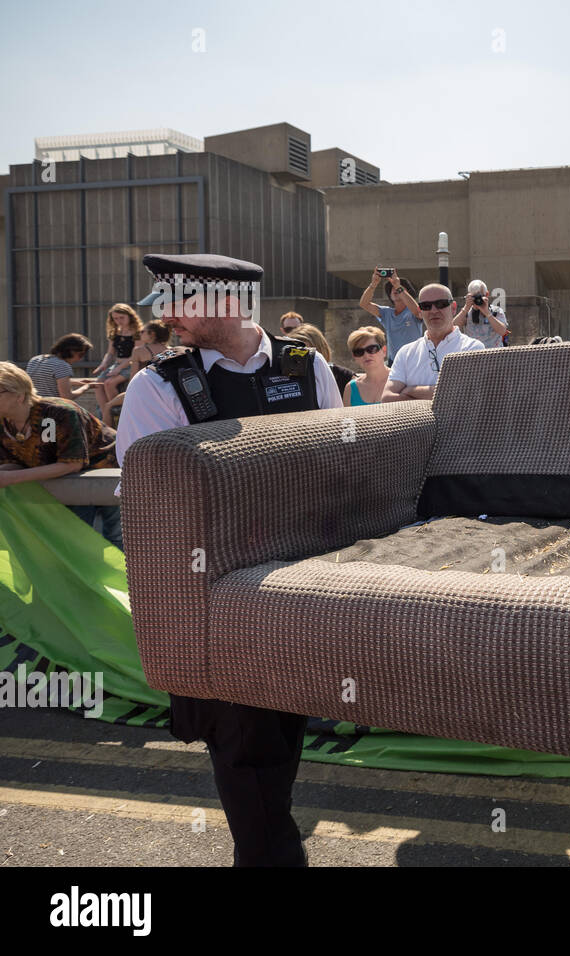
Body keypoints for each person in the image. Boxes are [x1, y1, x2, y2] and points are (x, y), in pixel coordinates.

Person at [116, 253, 342, 867]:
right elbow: (151, 500)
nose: (163, 313)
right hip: (217, 597)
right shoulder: (158, 384)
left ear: (226, 302)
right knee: (243, 747)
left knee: (283, 733)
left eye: (177, 299)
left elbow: (336, 465)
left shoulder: (308, 364)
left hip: (299, 586)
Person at [0, 362, 121, 549]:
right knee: (75, 540)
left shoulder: (60, 412)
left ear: (19, 395)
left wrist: (10, 478)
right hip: (67, 481)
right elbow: (12, 462)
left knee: (116, 538)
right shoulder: (4, 423)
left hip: (108, 472)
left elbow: (72, 463)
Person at [383, 283, 485, 401]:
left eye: (441, 304)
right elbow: (387, 397)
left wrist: (411, 390)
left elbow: (464, 395)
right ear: (420, 311)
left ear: (453, 308)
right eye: (426, 306)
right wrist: (438, 394)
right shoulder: (406, 352)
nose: (434, 310)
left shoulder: (472, 348)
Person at [78, 304, 142, 421]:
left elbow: (134, 355)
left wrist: (118, 369)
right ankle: (105, 414)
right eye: (115, 318)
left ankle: (118, 410)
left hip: (130, 365)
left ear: (130, 316)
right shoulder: (115, 332)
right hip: (116, 364)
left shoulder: (137, 332)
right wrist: (103, 365)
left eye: (121, 318)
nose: (118, 321)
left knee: (109, 383)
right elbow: (110, 353)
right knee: (98, 384)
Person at [359, 268, 424, 360]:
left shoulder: (413, 311)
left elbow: (418, 312)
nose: (395, 288)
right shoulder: (386, 313)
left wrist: (398, 286)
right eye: (392, 288)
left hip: (414, 360)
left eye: (399, 287)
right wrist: (373, 284)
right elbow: (364, 304)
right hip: (394, 362)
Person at [285, 323, 354, 402]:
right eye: (294, 352)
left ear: (320, 350)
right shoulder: (284, 378)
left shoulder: (344, 377)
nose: (299, 358)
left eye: (305, 353)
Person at [27, 333, 94, 400]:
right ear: (71, 351)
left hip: (34, 406)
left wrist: (75, 382)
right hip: (51, 407)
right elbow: (67, 397)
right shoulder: (62, 365)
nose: (80, 359)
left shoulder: (35, 359)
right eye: (81, 354)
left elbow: (46, 380)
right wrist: (87, 387)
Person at [455, 279, 509, 348]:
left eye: (479, 297)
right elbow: (452, 329)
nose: (477, 300)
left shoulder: (496, 311)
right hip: (473, 354)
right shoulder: (467, 313)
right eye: (474, 297)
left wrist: (488, 313)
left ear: (486, 295)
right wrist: (466, 308)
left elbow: (503, 332)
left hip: (494, 355)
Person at [344, 326, 389, 406]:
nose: (366, 355)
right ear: (354, 357)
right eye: (359, 352)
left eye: (372, 349)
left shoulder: (399, 380)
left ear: (384, 351)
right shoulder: (351, 388)